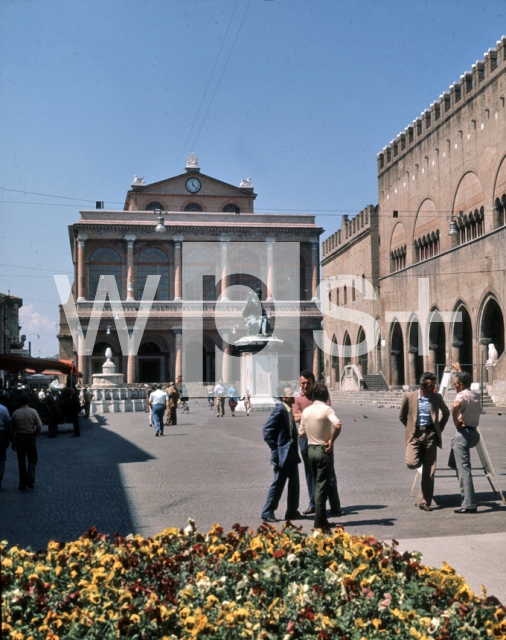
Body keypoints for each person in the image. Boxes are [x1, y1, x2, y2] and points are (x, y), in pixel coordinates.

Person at [293, 370, 342, 517]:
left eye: (308, 383)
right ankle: (313, 504)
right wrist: (313, 414)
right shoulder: (297, 398)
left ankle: (335, 506)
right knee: (310, 474)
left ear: (313, 383)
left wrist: (305, 414)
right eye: (303, 383)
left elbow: (326, 410)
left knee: (330, 475)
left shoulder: (321, 395)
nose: (305, 386)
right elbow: (296, 417)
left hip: (323, 440)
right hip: (305, 442)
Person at [399, 372, 450, 511]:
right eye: (431, 385)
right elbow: (402, 416)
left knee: (429, 471)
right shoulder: (410, 397)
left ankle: (424, 501)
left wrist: (439, 428)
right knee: (411, 462)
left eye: (434, 384)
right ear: (422, 386)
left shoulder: (436, 397)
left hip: (430, 434)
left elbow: (446, 413)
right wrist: (411, 428)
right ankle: (420, 457)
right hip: (415, 434)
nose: (434, 387)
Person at [261, 385, 301, 523]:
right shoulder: (280, 410)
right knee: (278, 483)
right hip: (283, 454)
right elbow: (267, 431)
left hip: (292, 453)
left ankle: (292, 511)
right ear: (283, 397)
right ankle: (267, 512)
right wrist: (275, 448)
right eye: (290, 393)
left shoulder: (289, 410)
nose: (293, 396)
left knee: (294, 483)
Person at [449, 364, 481, 514]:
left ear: (460, 385)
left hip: (463, 434)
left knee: (464, 471)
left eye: (455, 384)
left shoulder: (461, 395)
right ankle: (468, 498)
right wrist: (460, 370)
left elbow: (455, 406)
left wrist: (455, 420)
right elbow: (464, 382)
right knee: (456, 464)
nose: (454, 387)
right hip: (474, 434)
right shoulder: (475, 394)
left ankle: (469, 504)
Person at [11, 393, 42, 491]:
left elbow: (12, 429)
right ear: (29, 401)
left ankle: (22, 483)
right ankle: (30, 477)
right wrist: (36, 434)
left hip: (20, 437)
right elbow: (39, 425)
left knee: (21, 461)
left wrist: (13, 441)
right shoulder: (33, 411)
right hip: (30, 437)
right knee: (32, 459)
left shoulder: (15, 413)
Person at [0, 401, 12, 490]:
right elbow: (8, 424)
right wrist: (9, 438)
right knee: (1, 458)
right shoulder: (3, 409)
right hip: (1, 434)